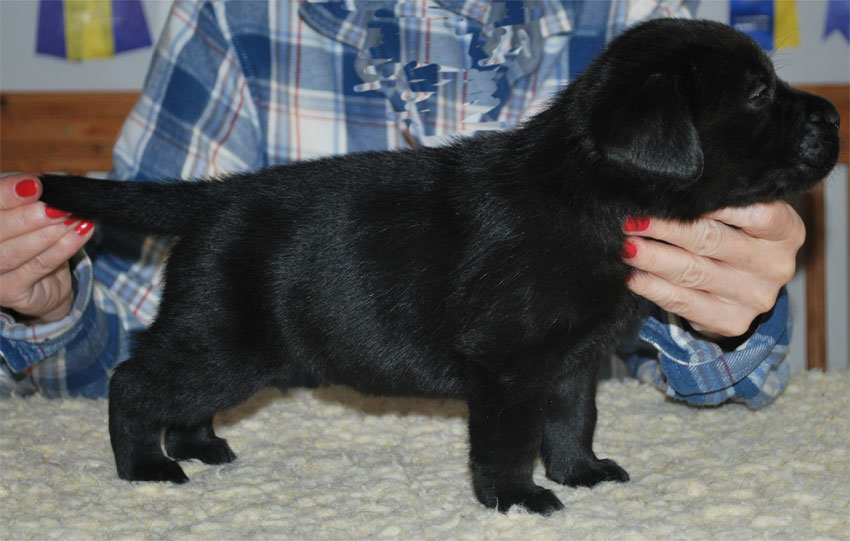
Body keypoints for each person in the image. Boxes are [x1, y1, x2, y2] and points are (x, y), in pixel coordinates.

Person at [0, 0, 801, 406]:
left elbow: (734, 389)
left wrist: (724, 320)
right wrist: (50, 309)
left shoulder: (639, 23)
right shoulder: (239, 19)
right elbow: (133, 356)